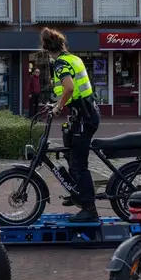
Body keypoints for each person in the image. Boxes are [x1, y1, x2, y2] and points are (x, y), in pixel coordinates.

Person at [42, 27, 101, 223]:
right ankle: (76, 192)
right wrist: (57, 104)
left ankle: (89, 209)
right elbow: (73, 93)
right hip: (84, 114)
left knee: (79, 164)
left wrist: (59, 107)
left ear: (46, 49)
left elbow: (69, 88)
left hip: (84, 117)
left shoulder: (60, 63)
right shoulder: (73, 58)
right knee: (70, 154)